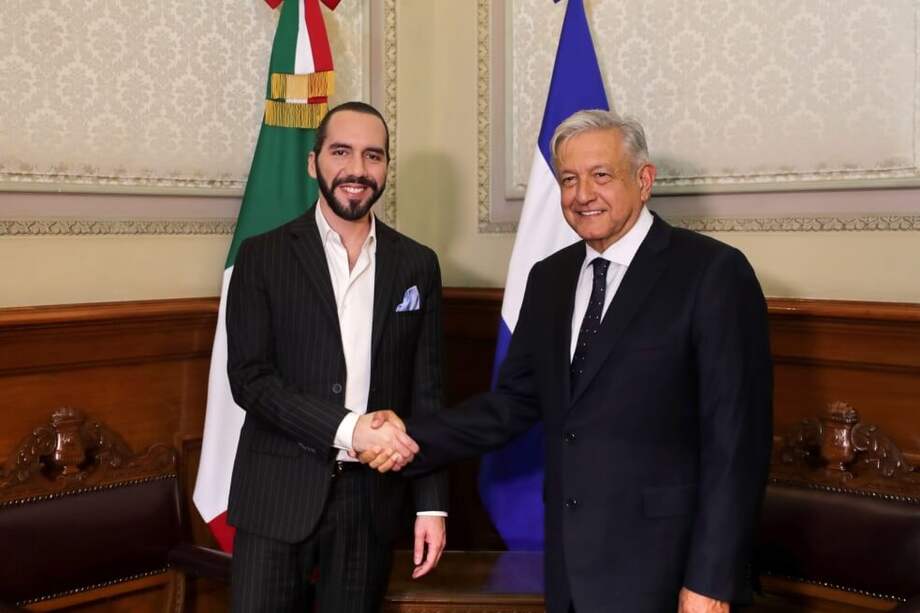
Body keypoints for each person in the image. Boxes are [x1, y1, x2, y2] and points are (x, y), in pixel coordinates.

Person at [361, 109, 773, 613]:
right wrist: (409, 437)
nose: (582, 195)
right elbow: (513, 404)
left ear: (644, 181)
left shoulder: (711, 273)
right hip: (570, 568)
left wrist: (712, 580)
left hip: (668, 571)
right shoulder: (551, 278)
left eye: (601, 175)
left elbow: (736, 444)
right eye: (569, 179)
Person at [225, 101, 448, 613]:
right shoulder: (262, 256)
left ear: (387, 167)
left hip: (370, 503)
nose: (358, 170)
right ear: (314, 162)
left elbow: (428, 395)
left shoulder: (418, 263)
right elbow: (251, 380)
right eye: (341, 152)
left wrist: (431, 505)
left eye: (373, 156)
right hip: (275, 493)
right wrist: (351, 430)